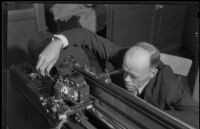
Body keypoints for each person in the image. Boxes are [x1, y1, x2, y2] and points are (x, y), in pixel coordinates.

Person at [28, 28, 199, 114]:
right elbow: (87, 36)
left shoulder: (169, 87)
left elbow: (194, 117)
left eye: (134, 76)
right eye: (124, 71)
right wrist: (57, 42)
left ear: (152, 74)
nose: (126, 80)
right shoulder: (122, 55)